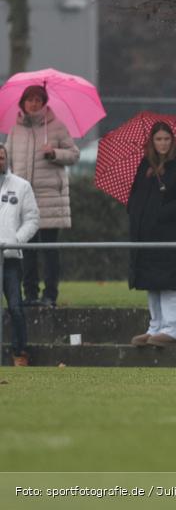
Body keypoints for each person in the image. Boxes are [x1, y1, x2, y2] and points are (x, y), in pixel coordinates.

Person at [7, 84, 79, 308]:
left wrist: (55, 153)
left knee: (49, 250)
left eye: (38, 99)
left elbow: (74, 155)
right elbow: (7, 160)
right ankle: (29, 294)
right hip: (23, 201)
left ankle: (50, 295)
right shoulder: (15, 130)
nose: (34, 103)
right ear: (23, 103)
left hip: (49, 199)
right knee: (26, 250)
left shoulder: (56, 127)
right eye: (30, 99)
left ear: (44, 102)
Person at [127, 122, 176, 347]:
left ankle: (171, 329)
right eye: (158, 139)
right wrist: (137, 216)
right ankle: (154, 326)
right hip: (145, 235)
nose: (163, 143)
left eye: (166, 139)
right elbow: (135, 196)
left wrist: (161, 214)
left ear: (172, 140)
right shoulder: (144, 165)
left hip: (169, 234)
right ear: (152, 142)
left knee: (169, 281)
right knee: (151, 282)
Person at [0, 144, 39, 366]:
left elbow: (32, 219)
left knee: (15, 306)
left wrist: (16, 240)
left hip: (11, 258)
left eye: (1, 157)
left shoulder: (22, 186)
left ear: (6, 159)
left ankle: (19, 352)